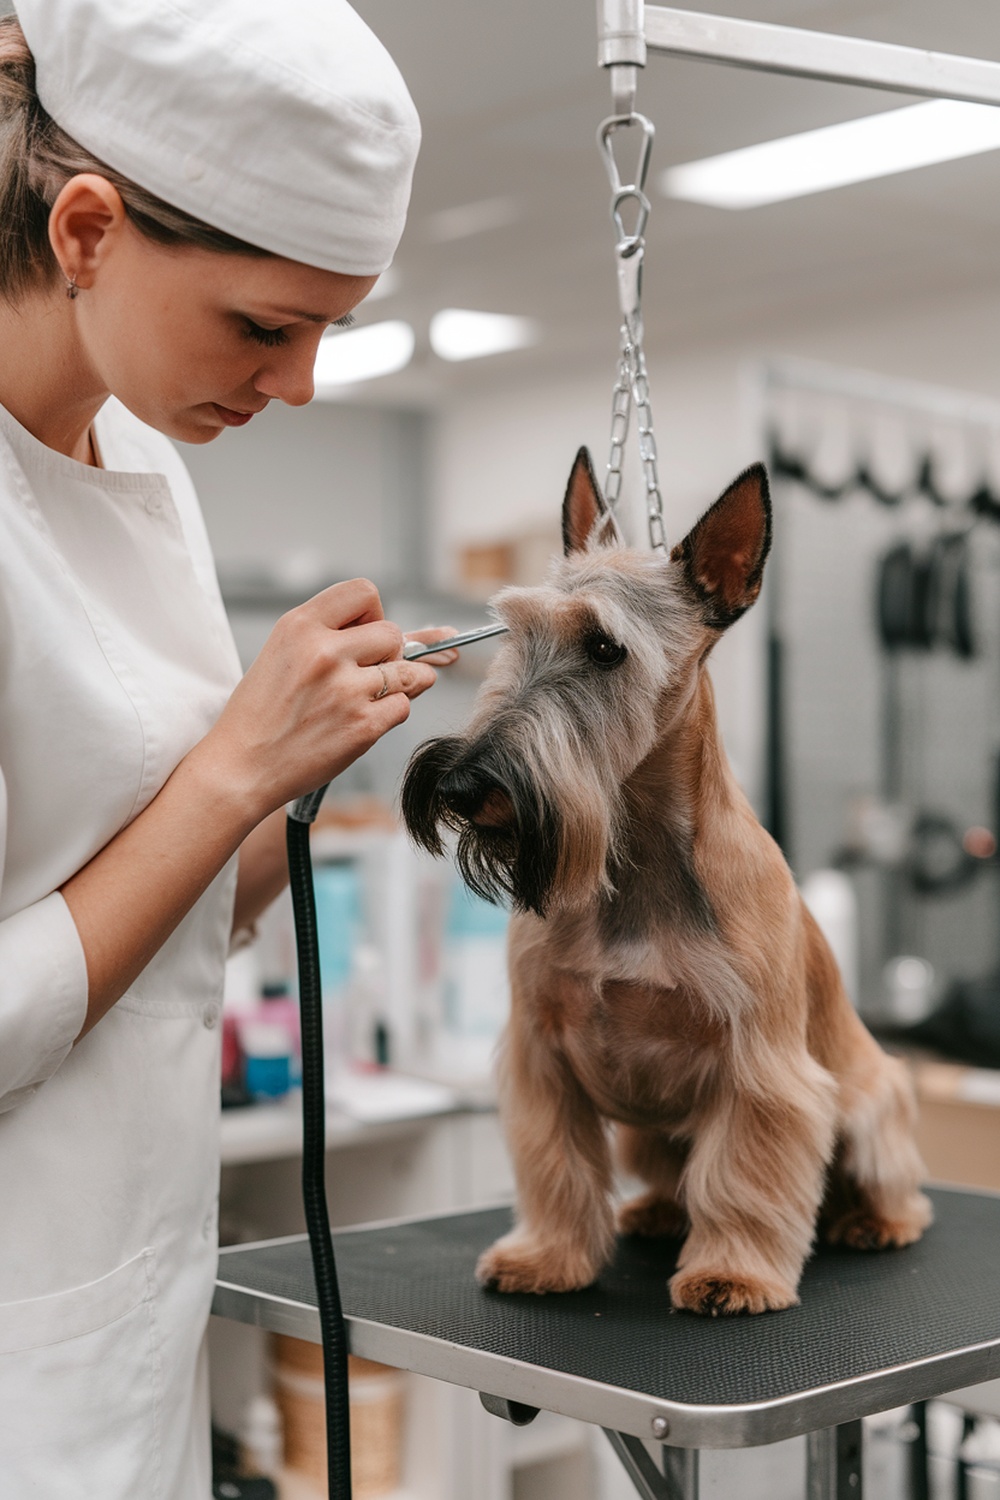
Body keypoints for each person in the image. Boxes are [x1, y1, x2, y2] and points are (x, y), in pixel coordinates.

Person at [0, 2, 453, 1493]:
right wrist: (236, 768)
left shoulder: (142, 456)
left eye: (332, 327)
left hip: (130, 1301)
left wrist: (312, 755)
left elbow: (181, 915)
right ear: (85, 229)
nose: (304, 383)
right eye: (269, 326)